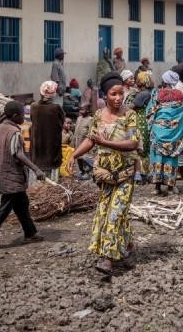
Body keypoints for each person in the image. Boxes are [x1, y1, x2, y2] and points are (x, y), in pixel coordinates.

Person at [67, 72, 141, 275]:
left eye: (121, 93)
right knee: (108, 213)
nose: (118, 98)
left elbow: (133, 143)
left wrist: (106, 143)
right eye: (113, 94)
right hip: (104, 175)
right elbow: (91, 139)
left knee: (115, 214)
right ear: (105, 95)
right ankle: (129, 247)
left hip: (125, 174)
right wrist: (74, 155)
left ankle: (106, 258)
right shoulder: (99, 115)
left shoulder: (129, 116)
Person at [0, 101, 46, 248]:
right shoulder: (14, 132)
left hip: (2, 173)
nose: (24, 117)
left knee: (22, 204)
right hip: (11, 176)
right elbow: (19, 154)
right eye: (22, 115)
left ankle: (30, 233)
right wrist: (36, 169)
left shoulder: (0, 127)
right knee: (5, 207)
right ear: (15, 116)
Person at [146, 70, 183, 195]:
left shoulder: (156, 93)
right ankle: (170, 187)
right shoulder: (179, 95)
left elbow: (150, 112)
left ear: (164, 81)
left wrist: (152, 126)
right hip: (175, 132)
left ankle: (157, 187)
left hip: (158, 132)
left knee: (157, 158)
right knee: (171, 158)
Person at [30, 81, 65, 181]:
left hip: (37, 146)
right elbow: (61, 123)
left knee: (37, 171)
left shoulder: (33, 107)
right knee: (52, 174)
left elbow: (32, 120)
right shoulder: (56, 108)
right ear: (53, 95)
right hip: (51, 147)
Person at [73, 102, 93, 179]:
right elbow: (76, 131)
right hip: (77, 141)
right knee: (78, 157)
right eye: (80, 109)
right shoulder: (79, 118)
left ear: (88, 110)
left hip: (84, 142)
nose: (81, 111)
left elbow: (91, 132)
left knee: (85, 157)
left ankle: (88, 172)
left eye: (83, 109)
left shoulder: (90, 120)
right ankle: (82, 171)